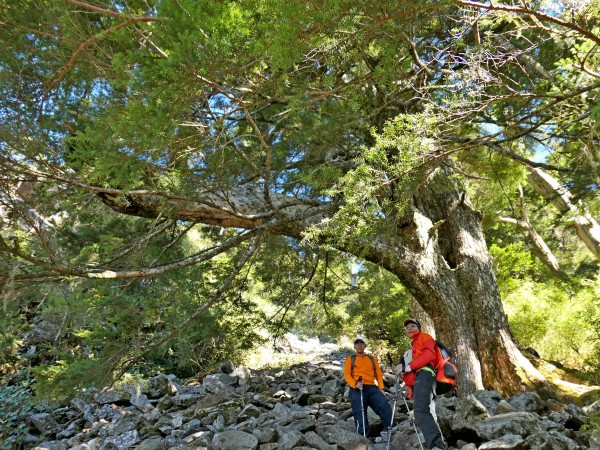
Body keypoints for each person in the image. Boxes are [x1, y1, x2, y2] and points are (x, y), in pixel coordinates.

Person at [397, 318, 446, 450]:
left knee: (420, 411)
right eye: (407, 328)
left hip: (425, 374)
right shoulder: (411, 348)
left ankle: (437, 446)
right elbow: (408, 372)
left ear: (419, 328)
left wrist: (408, 367)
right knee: (428, 410)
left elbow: (429, 355)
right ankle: (438, 443)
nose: (409, 328)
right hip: (421, 378)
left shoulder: (425, 337)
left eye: (412, 326)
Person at [344, 336, 393, 437]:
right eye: (357, 343)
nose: (359, 345)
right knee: (360, 412)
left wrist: (381, 388)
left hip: (372, 387)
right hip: (357, 388)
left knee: (384, 406)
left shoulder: (371, 358)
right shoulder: (350, 359)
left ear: (365, 345)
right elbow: (347, 374)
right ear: (354, 346)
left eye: (361, 343)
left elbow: (378, 374)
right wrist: (355, 384)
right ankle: (363, 438)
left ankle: (392, 431)